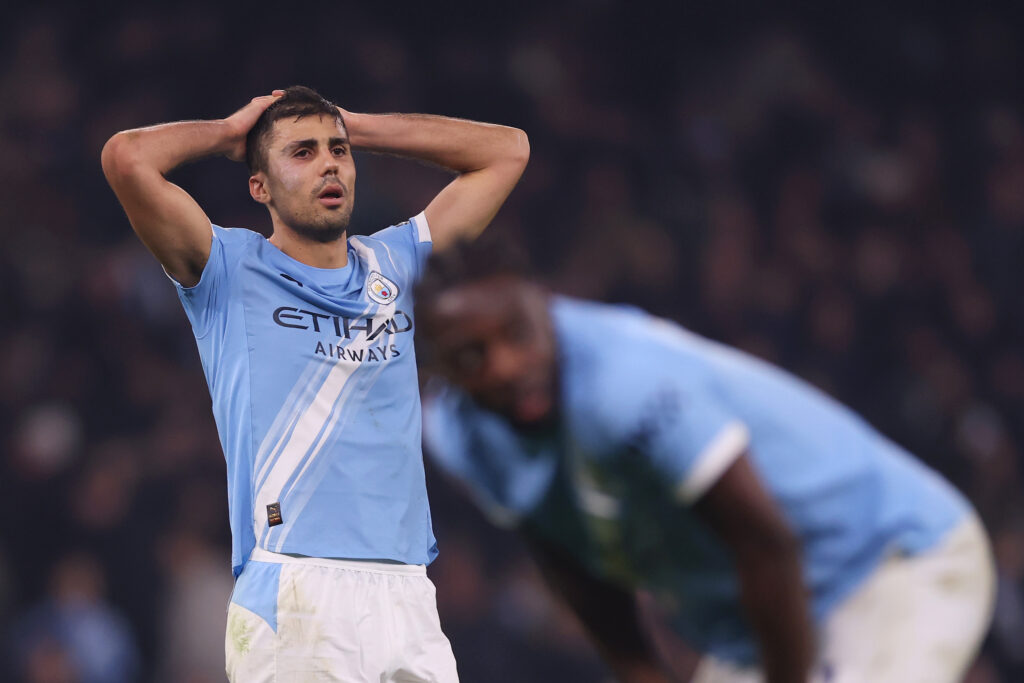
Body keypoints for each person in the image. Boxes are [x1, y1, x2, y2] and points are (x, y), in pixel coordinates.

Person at [416, 238, 996, 683]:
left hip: (889, 561)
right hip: (757, 628)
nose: (506, 365)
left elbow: (762, 542)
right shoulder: (456, 437)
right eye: (472, 356)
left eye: (517, 334)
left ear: (546, 306)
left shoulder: (623, 385)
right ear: (439, 369)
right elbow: (571, 561)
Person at [101, 85, 528, 682]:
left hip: (406, 591)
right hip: (296, 590)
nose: (329, 162)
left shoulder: (399, 262)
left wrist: (359, 127)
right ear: (260, 186)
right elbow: (126, 159)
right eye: (301, 152)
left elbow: (507, 150)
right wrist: (230, 132)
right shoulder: (227, 267)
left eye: (338, 151)